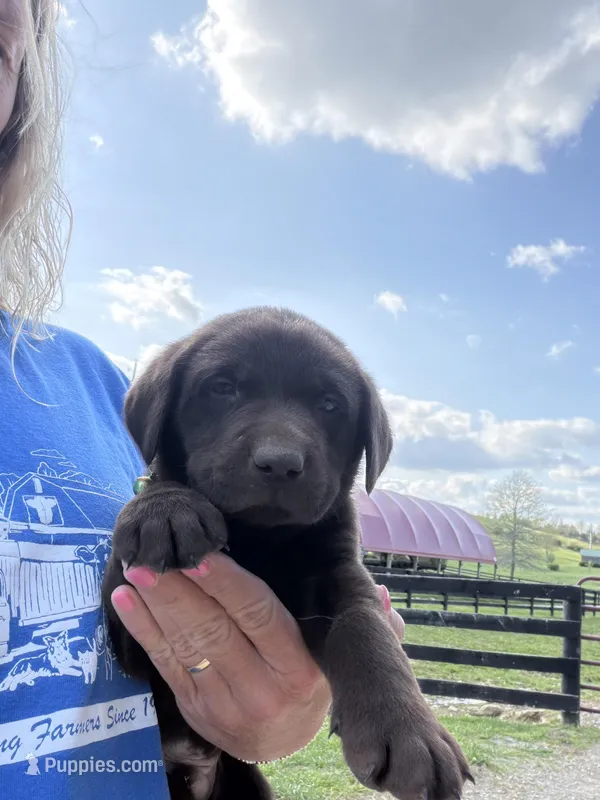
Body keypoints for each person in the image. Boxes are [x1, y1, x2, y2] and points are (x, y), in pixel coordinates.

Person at [0, 2, 405, 798]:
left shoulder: (86, 380)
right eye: (225, 388)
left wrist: (286, 709)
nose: (282, 448)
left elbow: (326, 614)